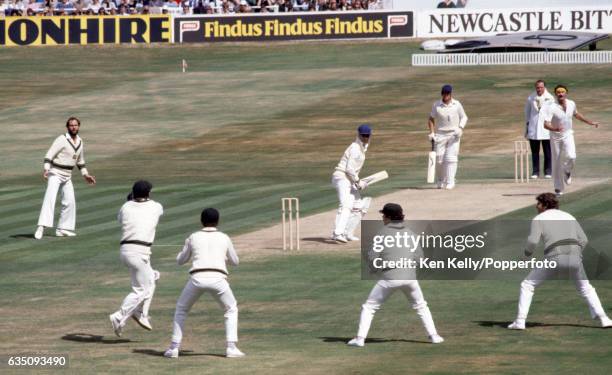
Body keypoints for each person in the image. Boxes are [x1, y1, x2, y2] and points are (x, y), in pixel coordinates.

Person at [508, 193, 612, 330]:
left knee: (527, 285)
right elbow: (584, 239)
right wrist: (575, 254)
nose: (536, 206)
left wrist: (526, 255)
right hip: (575, 258)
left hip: (554, 257)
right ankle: (605, 319)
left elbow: (533, 241)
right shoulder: (569, 216)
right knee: (586, 288)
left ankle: (520, 321)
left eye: (538, 203)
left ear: (545, 205)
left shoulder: (539, 218)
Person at [347, 203, 444, 347]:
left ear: (388, 217)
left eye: (383, 215)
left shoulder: (382, 233)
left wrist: (374, 268)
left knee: (369, 307)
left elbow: (373, 256)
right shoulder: (410, 233)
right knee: (421, 306)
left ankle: (360, 339)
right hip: (410, 278)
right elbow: (420, 258)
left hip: (390, 278)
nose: (382, 218)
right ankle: (434, 336)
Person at [163, 208, 244, 359]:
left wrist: (183, 252)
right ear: (218, 221)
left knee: (181, 309)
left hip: (196, 279)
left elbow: (181, 261)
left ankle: (174, 348)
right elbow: (235, 262)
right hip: (218, 279)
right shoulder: (224, 237)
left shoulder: (193, 236)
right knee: (231, 309)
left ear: (201, 221)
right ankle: (231, 348)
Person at [109, 180, 164, 337]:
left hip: (126, 251)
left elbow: (121, 219)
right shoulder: (156, 206)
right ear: (148, 193)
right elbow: (155, 213)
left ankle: (140, 313)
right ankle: (119, 315)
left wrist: (130, 201)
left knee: (152, 278)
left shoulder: (125, 207)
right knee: (142, 289)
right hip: (139, 252)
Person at [34, 117, 96, 240]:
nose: (74, 127)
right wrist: (46, 169)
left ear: (79, 126)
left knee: (70, 202)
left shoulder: (80, 141)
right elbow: (49, 155)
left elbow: (80, 161)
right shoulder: (61, 139)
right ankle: (41, 227)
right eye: (71, 125)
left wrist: (85, 174)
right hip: (55, 173)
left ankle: (62, 229)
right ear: (67, 127)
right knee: (50, 199)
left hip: (67, 175)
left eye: (76, 125)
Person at [541, 84, 600, 196]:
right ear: (556, 94)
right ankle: (558, 188)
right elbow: (545, 124)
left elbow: (576, 114)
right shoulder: (551, 107)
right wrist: (555, 128)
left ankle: (567, 171)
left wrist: (590, 122)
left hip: (568, 134)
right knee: (556, 162)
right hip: (555, 136)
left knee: (572, 156)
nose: (560, 93)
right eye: (558, 92)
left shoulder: (572, 103)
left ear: (566, 93)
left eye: (562, 91)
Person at [331, 124, 373, 243]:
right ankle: (337, 233)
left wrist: (357, 182)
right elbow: (349, 169)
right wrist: (358, 181)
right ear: (358, 135)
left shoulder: (363, 147)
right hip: (342, 177)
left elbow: (352, 171)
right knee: (346, 205)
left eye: (367, 136)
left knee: (359, 205)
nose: (365, 138)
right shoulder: (355, 148)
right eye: (363, 135)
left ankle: (347, 232)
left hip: (349, 179)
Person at [428, 84, 468, 190]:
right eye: (444, 93)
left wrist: (460, 128)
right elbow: (431, 119)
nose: (445, 95)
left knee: (451, 158)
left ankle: (450, 181)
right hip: (440, 134)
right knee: (439, 159)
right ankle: (441, 180)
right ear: (442, 94)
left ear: (450, 94)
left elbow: (464, 117)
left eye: (447, 93)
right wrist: (432, 133)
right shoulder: (437, 105)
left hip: (454, 134)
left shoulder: (457, 104)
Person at [524, 80, 554, 179]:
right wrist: (527, 127)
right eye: (537, 87)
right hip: (534, 127)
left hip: (546, 128)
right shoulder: (530, 98)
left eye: (541, 87)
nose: (539, 89)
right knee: (535, 152)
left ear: (544, 87)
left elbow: (553, 113)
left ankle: (548, 171)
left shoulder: (550, 98)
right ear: (535, 88)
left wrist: (552, 126)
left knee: (547, 151)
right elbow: (527, 113)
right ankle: (535, 172)